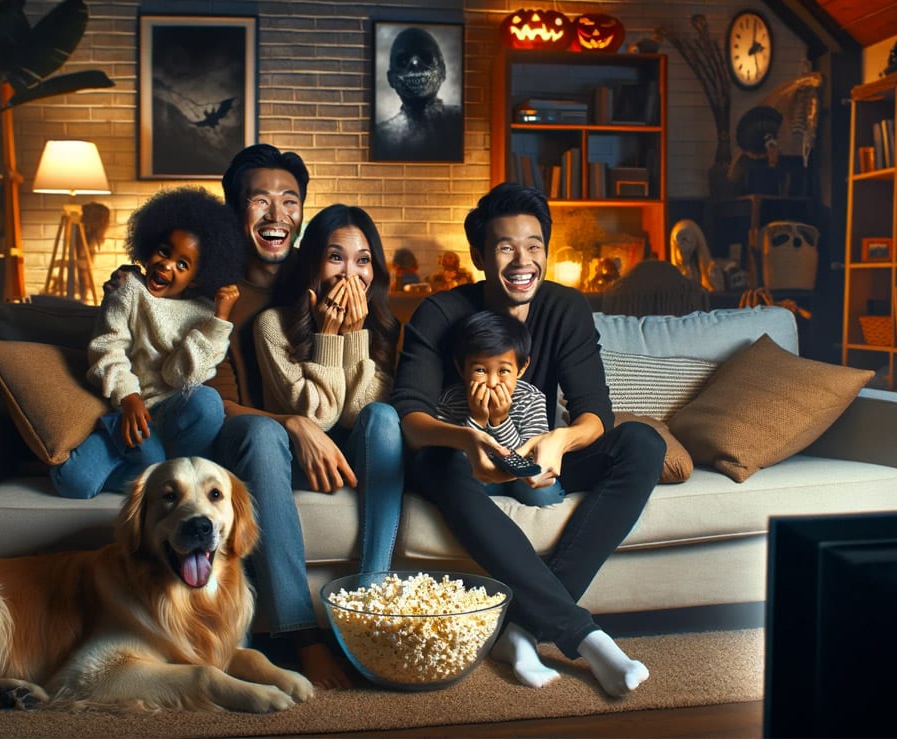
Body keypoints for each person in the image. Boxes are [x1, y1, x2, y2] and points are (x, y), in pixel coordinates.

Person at [390, 181, 665, 697]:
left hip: (533, 454)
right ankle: (589, 640)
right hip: (460, 463)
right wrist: (467, 441)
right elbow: (409, 414)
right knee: (439, 460)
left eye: (535, 245)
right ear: (479, 254)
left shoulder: (566, 309)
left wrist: (560, 441)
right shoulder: (439, 312)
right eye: (506, 246)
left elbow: (595, 415)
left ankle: (520, 629)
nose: (523, 260)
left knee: (643, 444)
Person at [208, 145, 400, 690]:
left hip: (336, 441)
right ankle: (302, 634)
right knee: (268, 430)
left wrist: (346, 335)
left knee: (382, 418)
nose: (276, 214)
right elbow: (208, 402)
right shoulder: (214, 289)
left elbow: (363, 409)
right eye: (260, 200)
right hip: (250, 443)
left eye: (289, 201)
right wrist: (296, 421)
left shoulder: (314, 276)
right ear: (235, 209)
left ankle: (372, 595)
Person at [52, 187, 241, 500]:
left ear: (196, 278)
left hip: (170, 414)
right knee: (74, 484)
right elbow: (107, 349)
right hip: (127, 407)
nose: (167, 266)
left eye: (183, 264)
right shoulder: (128, 289)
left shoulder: (206, 314)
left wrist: (219, 320)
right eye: (165, 252)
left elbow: (179, 377)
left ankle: (165, 470)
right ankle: (136, 454)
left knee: (207, 402)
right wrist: (129, 397)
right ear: (150, 246)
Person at [252, 202, 404, 570]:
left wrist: (354, 335)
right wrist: (329, 337)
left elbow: (358, 413)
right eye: (336, 257)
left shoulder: (386, 328)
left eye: (363, 260)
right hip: (302, 459)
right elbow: (320, 416)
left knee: (383, 416)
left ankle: (374, 581)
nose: (349, 274)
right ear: (313, 263)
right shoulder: (272, 325)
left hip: (363, 456)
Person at [435, 309, 563, 506]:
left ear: (521, 368)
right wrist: (476, 420)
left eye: (503, 370)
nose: (492, 382)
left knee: (542, 492)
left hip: (520, 480)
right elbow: (449, 460)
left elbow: (532, 461)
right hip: (477, 479)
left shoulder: (531, 399)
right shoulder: (450, 399)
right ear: (461, 368)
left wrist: (500, 420)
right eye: (480, 370)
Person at [372, 26, 463, 162]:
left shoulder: (460, 121)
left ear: (443, 71)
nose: (415, 64)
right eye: (403, 60)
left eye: (425, 57)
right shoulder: (381, 135)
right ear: (391, 79)